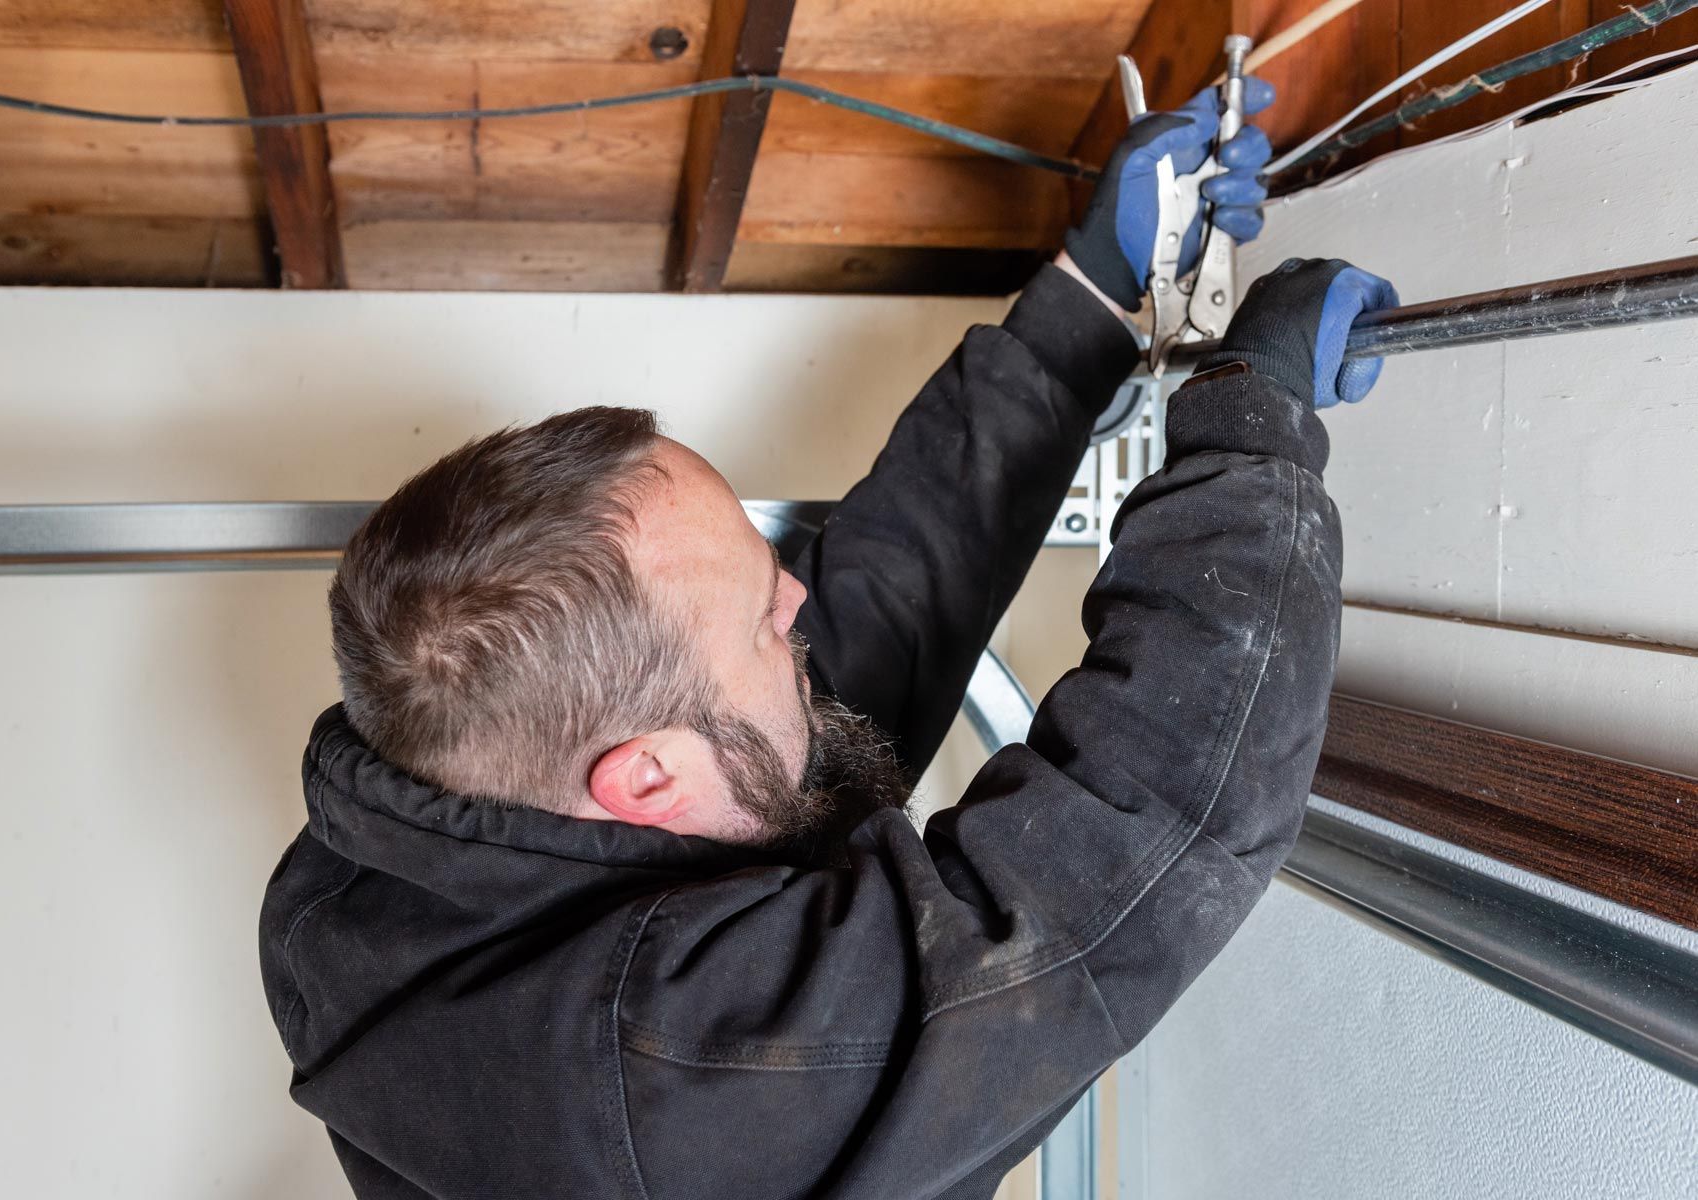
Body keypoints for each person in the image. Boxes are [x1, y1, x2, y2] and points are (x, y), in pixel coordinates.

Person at [260, 77, 1397, 1199]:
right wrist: (1250, 421)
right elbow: (1134, 832)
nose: (800, 608)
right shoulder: (680, 1073)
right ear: (643, 777)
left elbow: (854, 645)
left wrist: (1086, 301)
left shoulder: (372, 860)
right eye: (766, 620)